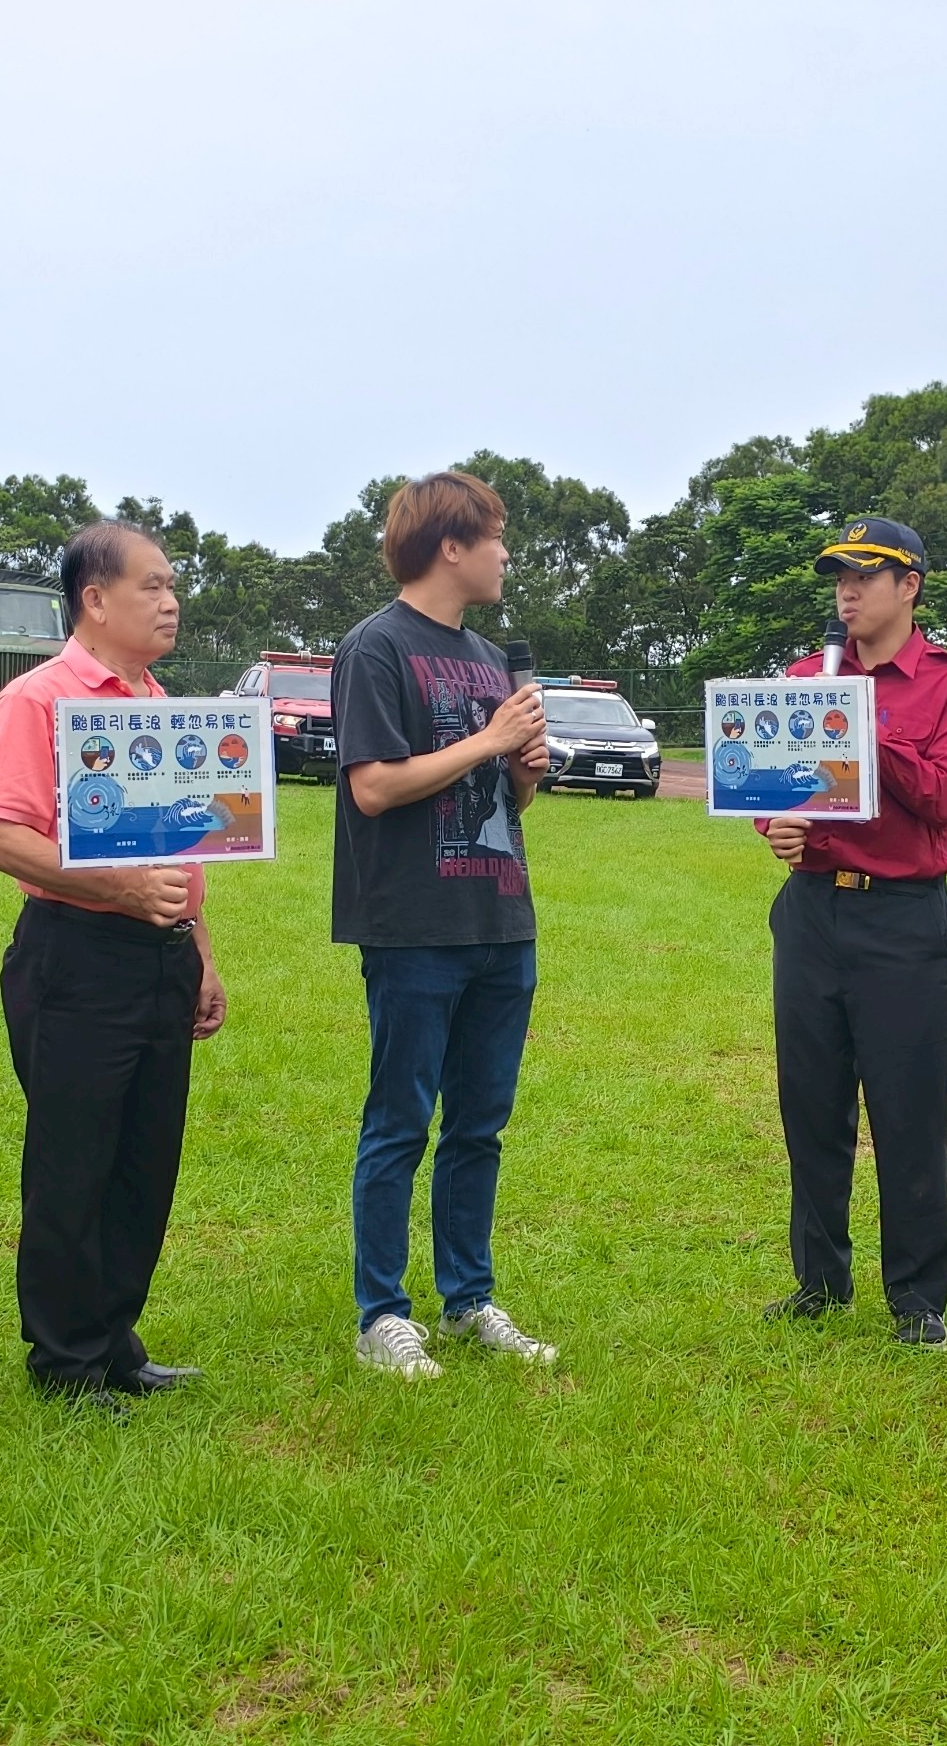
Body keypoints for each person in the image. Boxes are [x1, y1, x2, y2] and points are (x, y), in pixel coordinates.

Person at [0, 521, 228, 1413]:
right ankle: (65, 1361)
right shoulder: (40, 702)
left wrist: (198, 952)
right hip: (77, 957)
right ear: (95, 599)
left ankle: (115, 1339)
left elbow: (179, 848)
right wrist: (118, 888)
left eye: (172, 587)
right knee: (73, 1162)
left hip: (159, 955)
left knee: (143, 1161)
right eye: (152, 586)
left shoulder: (154, 703)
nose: (171, 601)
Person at [332, 470, 555, 1379]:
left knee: (479, 1126)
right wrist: (492, 740)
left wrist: (527, 766)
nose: (506, 553)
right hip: (413, 924)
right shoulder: (375, 648)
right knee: (400, 1122)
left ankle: (469, 1299)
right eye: (495, 536)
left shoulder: (493, 655)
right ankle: (381, 1313)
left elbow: (506, 798)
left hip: (500, 919)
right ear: (450, 545)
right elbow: (374, 785)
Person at [757, 516, 947, 1348]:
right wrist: (777, 829)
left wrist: (855, 721)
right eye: (839, 577)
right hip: (815, 909)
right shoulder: (801, 675)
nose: (847, 591)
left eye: (865, 575)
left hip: (902, 917)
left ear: (910, 585)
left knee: (908, 1106)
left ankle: (918, 1296)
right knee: (810, 1101)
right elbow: (775, 788)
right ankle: (819, 1279)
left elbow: (940, 796)